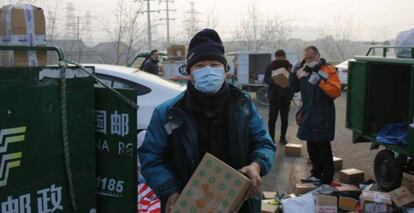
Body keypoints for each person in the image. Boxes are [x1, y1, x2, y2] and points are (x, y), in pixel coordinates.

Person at [139, 29, 276, 213]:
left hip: (239, 203)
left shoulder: (243, 105)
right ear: (189, 73)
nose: (208, 71)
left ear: (225, 71)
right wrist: (169, 191)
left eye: (214, 64)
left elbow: (263, 142)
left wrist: (257, 164)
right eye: (200, 66)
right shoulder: (169, 113)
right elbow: (151, 156)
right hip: (188, 204)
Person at [289, 46, 341, 185]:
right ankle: (316, 174)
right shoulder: (304, 71)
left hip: (323, 114)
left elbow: (335, 92)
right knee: (311, 145)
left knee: (323, 146)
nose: (308, 60)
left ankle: (326, 178)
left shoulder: (328, 70)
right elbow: (294, 88)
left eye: (311, 57)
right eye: (306, 58)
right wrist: (292, 73)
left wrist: (320, 82)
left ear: (317, 55)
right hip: (308, 113)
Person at [264, 49, 293, 145]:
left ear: (285, 57)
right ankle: (271, 138)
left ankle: (283, 138)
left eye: (282, 56)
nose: (280, 58)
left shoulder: (289, 67)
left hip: (286, 98)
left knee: (284, 119)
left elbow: (293, 80)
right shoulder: (270, 67)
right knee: (272, 118)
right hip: (274, 97)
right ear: (275, 57)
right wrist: (274, 81)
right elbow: (266, 79)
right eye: (278, 56)